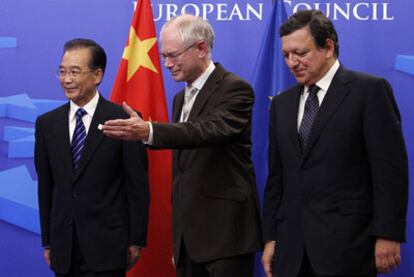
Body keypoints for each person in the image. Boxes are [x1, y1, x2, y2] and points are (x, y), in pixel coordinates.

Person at [102, 14, 262, 277]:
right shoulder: (179, 99)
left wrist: (150, 130)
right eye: (164, 56)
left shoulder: (235, 89)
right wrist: (180, 241)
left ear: (201, 48)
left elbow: (206, 130)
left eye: (173, 55)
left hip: (225, 237)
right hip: (188, 240)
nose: (166, 64)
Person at [261, 9, 409, 277]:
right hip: (291, 250)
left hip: (348, 246)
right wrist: (270, 237)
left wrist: (388, 234)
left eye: (300, 53)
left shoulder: (369, 91)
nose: (292, 62)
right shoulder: (281, 104)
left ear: (328, 47)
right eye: (286, 55)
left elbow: (389, 171)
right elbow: (277, 178)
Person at [35, 38, 150, 277]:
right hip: (64, 248)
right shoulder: (47, 124)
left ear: (97, 75)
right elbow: (46, 187)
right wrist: (48, 240)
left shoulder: (123, 120)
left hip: (109, 247)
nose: (66, 79)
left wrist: (136, 240)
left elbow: (137, 186)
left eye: (75, 72)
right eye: (62, 71)